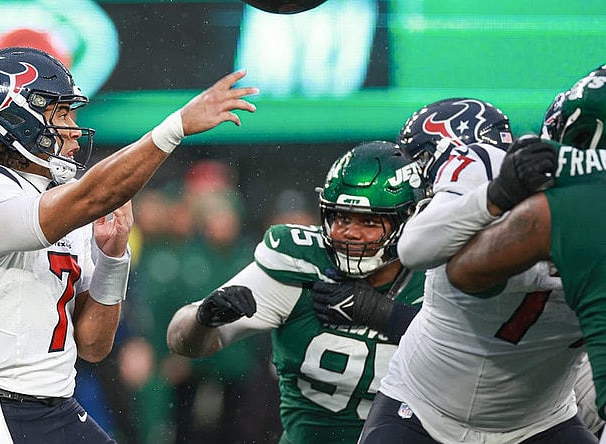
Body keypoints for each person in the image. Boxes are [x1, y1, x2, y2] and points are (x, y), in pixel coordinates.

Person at [0, 46, 257, 443]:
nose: (74, 129)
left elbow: (93, 345)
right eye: (61, 114)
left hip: (57, 405)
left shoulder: (61, 199)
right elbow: (91, 196)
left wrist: (112, 258)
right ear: (14, 117)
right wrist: (174, 128)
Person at [358, 91, 601, 442]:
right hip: (425, 410)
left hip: (541, 422)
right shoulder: (488, 165)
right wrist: (498, 193)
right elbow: (414, 248)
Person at [167, 141, 427, 443]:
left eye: (369, 222)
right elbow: (180, 341)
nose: (350, 233)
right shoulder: (299, 263)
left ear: (408, 220)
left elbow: (471, 359)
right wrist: (201, 320)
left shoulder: (437, 273)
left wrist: (381, 313)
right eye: (342, 218)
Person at [444, 65, 606, 437]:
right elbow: (464, 274)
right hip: (509, 383)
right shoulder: (538, 211)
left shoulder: (555, 210)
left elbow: (466, 272)